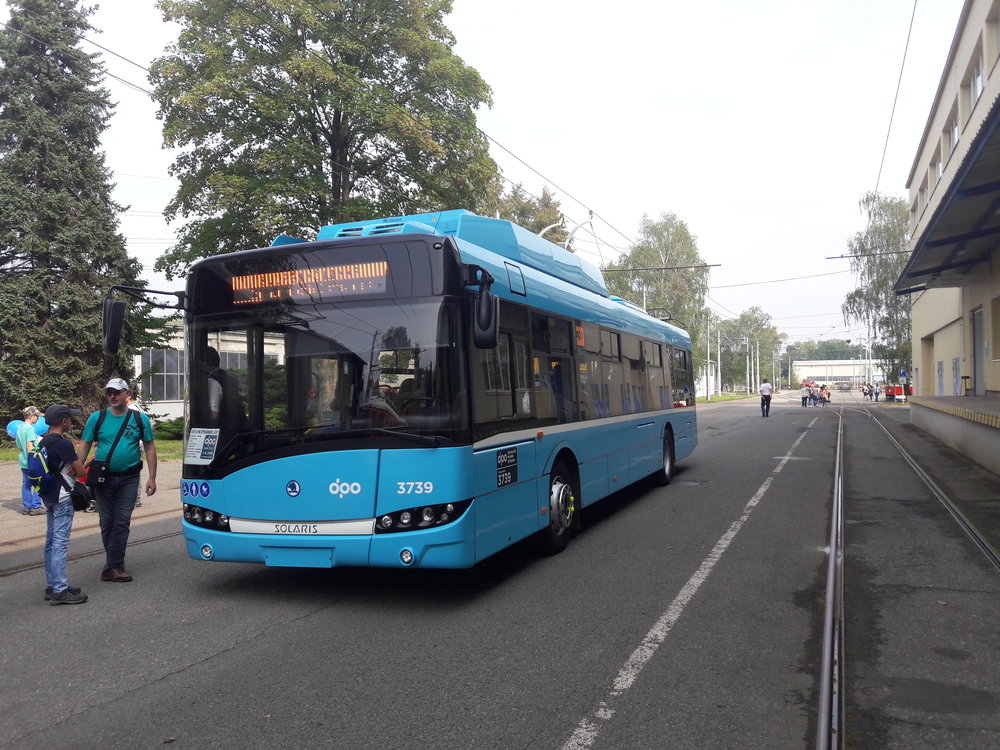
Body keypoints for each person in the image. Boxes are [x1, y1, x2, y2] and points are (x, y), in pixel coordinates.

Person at [77, 378, 157, 583]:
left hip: (129, 479)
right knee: (107, 522)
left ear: (126, 394)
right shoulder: (98, 418)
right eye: (109, 393)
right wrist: (78, 468)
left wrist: (152, 477)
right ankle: (114, 563)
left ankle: (112, 566)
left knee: (121, 522)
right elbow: (85, 444)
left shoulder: (139, 419)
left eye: (116, 392)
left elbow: (149, 447)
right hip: (103, 479)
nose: (112, 396)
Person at [39, 404, 89, 605]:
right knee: (60, 543)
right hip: (62, 497)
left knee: (51, 541)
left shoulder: (42, 442)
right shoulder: (63, 444)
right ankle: (60, 589)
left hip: (48, 495)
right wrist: (79, 466)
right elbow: (81, 471)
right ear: (63, 422)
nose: (71, 421)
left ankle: (52, 585)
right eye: (69, 419)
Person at [16, 405, 44, 515]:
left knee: (26, 484)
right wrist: (40, 447)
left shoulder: (20, 428)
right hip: (31, 462)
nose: (38, 418)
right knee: (38, 484)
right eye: (37, 416)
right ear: (31, 416)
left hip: (23, 462)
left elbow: (20, 445)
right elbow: (29, 446)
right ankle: (36, 506)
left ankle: (26, 506)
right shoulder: (30, 429)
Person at [125, 392, 145, 508]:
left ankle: (135, 498)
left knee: (132, 471)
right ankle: (135, 498)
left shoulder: (131, 409)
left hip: (135, 444)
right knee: (134, 470)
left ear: (128, 396)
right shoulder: (136, 407)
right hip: (138, 443)